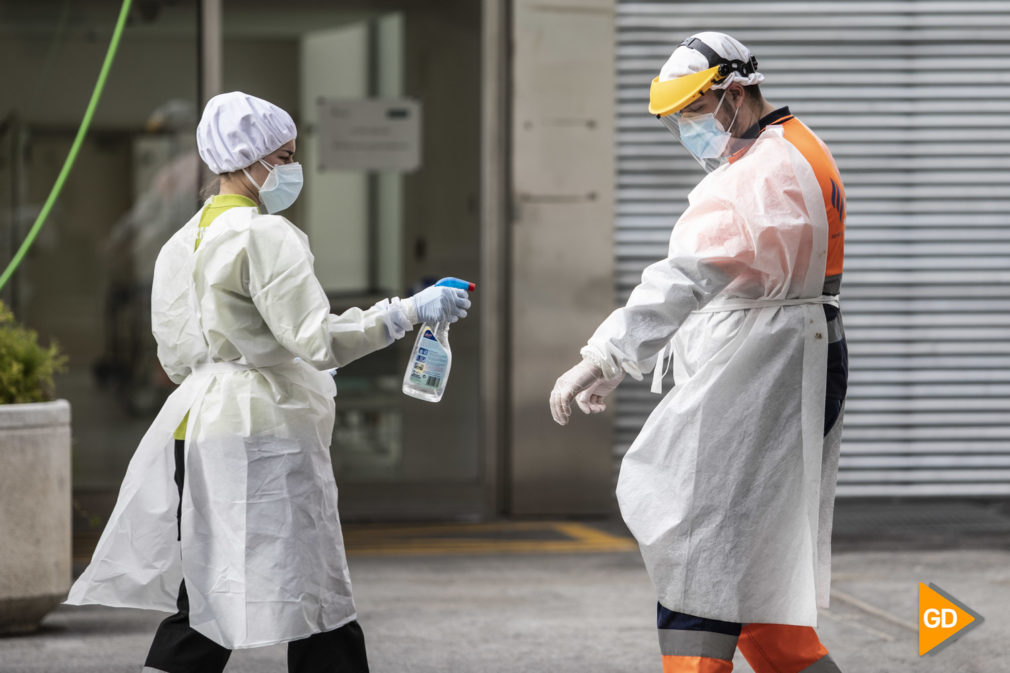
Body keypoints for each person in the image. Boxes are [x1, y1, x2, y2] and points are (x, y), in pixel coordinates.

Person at [67, 91, 471, 673]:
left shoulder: (179, 245)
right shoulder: (266, 235)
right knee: (317, 598)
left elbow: (176, 355)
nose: (290, 168)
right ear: (252, 160)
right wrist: (407, 312)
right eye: (284, 156)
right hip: (266, 430)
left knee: (206, 597)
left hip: (195, 424)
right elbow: (317, 340)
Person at [549, 33, 847, 673]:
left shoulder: (759, 174)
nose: (687, 129)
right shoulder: (797, 147)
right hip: (784, 360)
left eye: (693, 111)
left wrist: (602, 357)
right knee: (754, 563)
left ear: (733, 94)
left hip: (766, 370)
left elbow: (682, 278)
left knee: (697, 541)